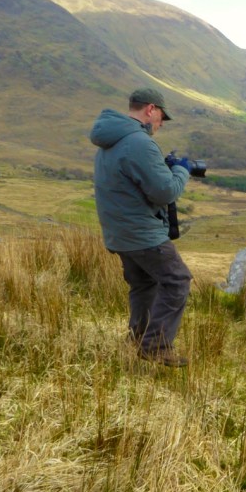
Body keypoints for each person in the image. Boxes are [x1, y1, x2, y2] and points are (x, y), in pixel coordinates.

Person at [90, 88, 193, 367]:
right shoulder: (138, 142)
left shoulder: (110, 140)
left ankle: (137, 339)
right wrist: (182, 170)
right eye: (161, 117)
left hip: (119, 233)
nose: (160, 124)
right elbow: (164, 192)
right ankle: (155, 347)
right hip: (142, 234)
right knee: (177, 280)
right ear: (150, 109)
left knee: (144, 284)